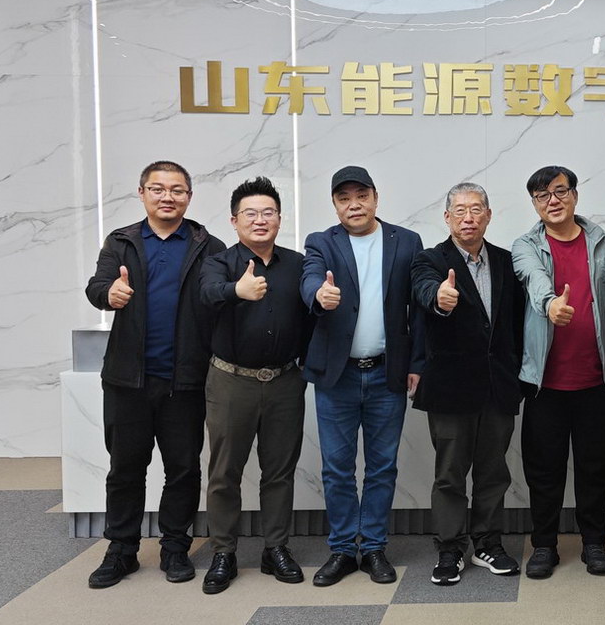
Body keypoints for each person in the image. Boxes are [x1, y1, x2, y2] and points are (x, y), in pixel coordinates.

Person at [84, 160, 225, 588]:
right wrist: (109, 293)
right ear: (142, 193)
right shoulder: (121, 241)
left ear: (189, 197)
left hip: (185, 380)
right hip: (128, 379)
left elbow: (219, 299)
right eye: (158, 189)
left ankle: (175, 547)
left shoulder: (209, 245)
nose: (168, 197)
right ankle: (121, 550)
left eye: (177, 190)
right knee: (125, 468)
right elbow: (96, 287)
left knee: (183, 468)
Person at [300, 166, 424, 587]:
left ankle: (373, 548)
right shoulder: (321, 242)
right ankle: (341, 549)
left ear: (375, 197)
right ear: (335, 205)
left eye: (361, 195)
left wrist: (417, 363)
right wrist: (319, 294)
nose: (354, 205)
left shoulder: (406, 241)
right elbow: (309, 278)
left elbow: (416, 308)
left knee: (382, 467)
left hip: (387, 373)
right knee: (336, 468)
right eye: (344, 198)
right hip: (337, 377)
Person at [198, 176, 313, 594]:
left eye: (268, 212)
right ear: (234, 221)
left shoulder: (297, 264)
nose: (260, 220)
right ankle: (223, 552)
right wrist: (237, 290)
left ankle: (275, 548)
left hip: (285, 381)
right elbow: (207, 294)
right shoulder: (218, 262)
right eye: (250, 213)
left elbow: (311, 316)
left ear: (280, 219)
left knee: (279, 471)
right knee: (224, 472)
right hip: (232, 380)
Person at [511, 165, 605, 579]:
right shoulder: (525, 245)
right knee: (544, 470)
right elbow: (534, 278)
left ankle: (595, 543)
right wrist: (551, 305)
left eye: (560, 191)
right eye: (542, 195)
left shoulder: (604, 243)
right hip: (545, 384)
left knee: (596, 468)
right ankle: (544, 545)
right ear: (535, 204)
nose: (552, 201)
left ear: (574, 195)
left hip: (599, 379)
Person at [411, 183, 525, 585]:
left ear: (489, 215)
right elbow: (424, 289)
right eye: (459, 211)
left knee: (494, 473)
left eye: (476, 209)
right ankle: (450, 548)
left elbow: (515, 325)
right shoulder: (429, 260)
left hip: (498, 386)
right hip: (450, 389)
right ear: (447, 218)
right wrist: (439, 297)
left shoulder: (507, 262)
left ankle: (488, 543)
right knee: (450, 475)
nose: (468, 218)